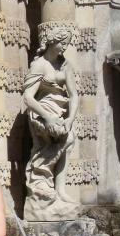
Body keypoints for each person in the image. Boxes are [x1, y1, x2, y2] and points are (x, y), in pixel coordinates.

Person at [22, 27, 80, 220]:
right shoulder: (40, 65)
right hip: (41, 113)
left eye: (67, 44)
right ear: (52, 42)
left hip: (60, 113)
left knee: (69, 139)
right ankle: (41, 180)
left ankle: (59, 189)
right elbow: (28, 98)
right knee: (66, 138)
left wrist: (70, 119)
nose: (65, 47)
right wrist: (47, 117)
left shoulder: (65, 65)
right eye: (62, 43)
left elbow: (74, 95)